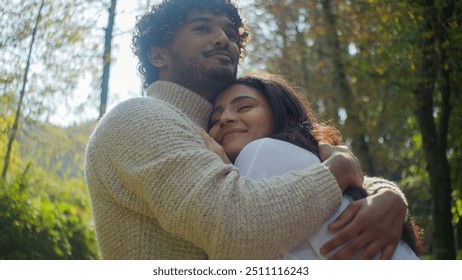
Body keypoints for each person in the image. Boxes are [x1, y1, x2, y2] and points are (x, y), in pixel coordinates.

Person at [85, 0, 408, 259]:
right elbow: (235, 228)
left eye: (230, 33)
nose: (223, 39)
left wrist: (386, 195)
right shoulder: (140, 117)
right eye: (202, 28)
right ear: (158, 54)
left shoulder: (221, 132)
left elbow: (294, 170)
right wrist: (338, 170)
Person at [204, 72, 423, 259]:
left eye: (244, 107)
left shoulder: (262, 151)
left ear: (280, 113)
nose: (225, 118)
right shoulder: (318, 162)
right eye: (214, 120)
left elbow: (237, 247)